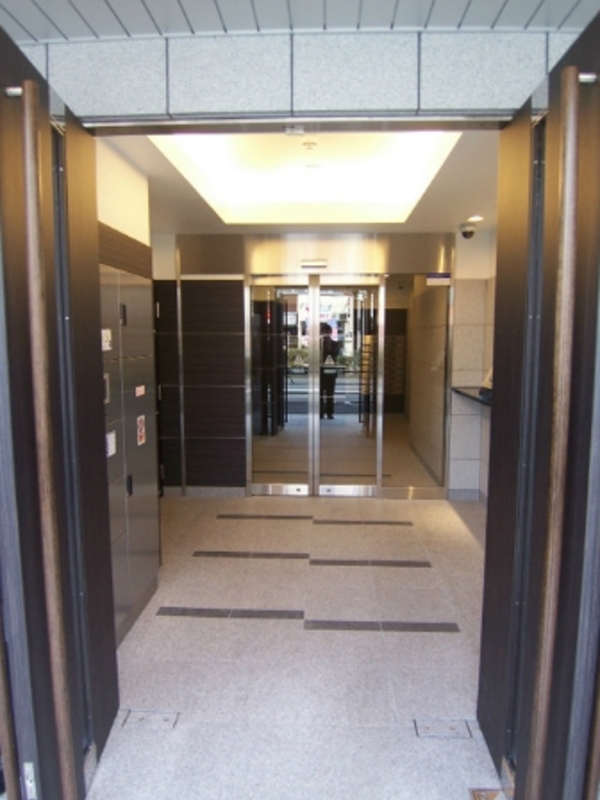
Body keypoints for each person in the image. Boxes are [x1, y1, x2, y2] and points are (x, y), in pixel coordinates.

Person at [320, 323, 339, 419]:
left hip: (331, 372)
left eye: (327, 332)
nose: (326, 334)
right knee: (319, 393)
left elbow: (335, 353)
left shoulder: (335, 344)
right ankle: (320, 412)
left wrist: (329, 346)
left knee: (330, 393)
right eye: (324, 332)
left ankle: (329, 412)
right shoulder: (318, 344)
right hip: (320, 372)